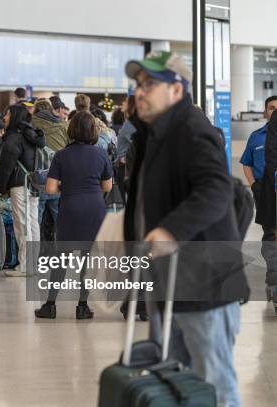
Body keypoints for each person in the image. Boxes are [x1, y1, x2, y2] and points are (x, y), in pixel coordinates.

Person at [125, 51, 249, 406]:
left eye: (150, 84)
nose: (139, 92)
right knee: (172, 383)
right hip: (168, 283)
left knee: (213, 385)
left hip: (204, 285)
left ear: (177, 90)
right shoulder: (153, 135)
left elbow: (215, 190)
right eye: (137, 84)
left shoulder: (193, 130)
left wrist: (170, 231)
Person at [34, 111, 113, 320]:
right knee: (88, 260)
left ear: (71, 130)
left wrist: (68, 186)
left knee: (62, 259)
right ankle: (82, 306)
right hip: (95, 209)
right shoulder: (101, 154)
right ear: (94, 131)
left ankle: (50, 306)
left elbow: (50, 188)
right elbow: (108, 185)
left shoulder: (62, 155)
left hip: (70, 208)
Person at [0, 104, 45, 277]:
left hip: (19, 184)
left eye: (8, 114)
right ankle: (33, 263)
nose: (5, 117)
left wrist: (2, 187)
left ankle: (25, 265)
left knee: (22, 224)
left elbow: (5, 167)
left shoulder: (13, 139)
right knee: (33, 223)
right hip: (33, 183)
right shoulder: (31, 136)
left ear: (15, 116)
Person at [247, 96, 277, 301]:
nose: (274, 112)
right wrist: (254, 187)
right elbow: (246, 163)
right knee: (270, 235)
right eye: (271, 108)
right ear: (265, 111)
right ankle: (273, 280)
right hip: (265, 193)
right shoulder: (257, 136)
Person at [31, 99, 67, 235]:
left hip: (37, 178)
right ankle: (62, 252)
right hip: (58, 177)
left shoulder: (31, 124)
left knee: (35, 220)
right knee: (60, 219)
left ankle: (35, 253)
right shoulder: (63, 125)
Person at [116, 94, 138, 202]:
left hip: (126, 168)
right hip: (126, 168)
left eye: (126, 101)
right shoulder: (130, 125)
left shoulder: (130, 124)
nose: (123, 103)